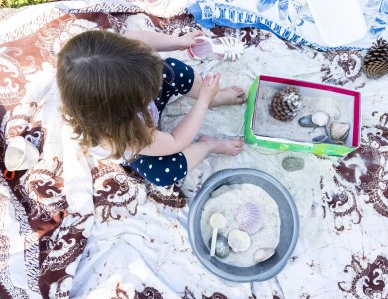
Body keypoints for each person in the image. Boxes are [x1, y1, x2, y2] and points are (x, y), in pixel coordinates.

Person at [57, 29, 246, 186]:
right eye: (149, 90)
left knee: (173, 69)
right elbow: (175, 142)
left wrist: (178, 42)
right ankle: (207, 145)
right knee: (164, 174)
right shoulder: (122, 135)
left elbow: (140, 38)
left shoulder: (113, 56)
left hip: (132, 104)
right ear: (127, 109)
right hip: (140, 138)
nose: (157, 86)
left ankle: (216, 98)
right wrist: (203, 101)